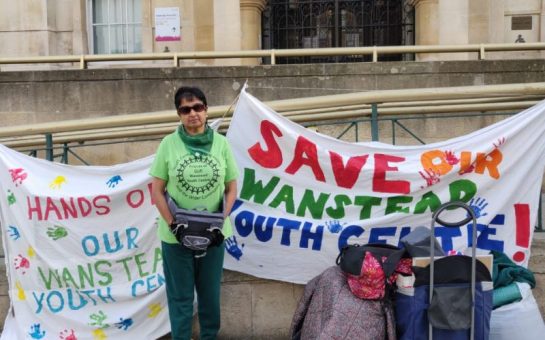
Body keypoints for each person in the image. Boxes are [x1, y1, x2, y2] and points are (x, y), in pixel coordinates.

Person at [149, 86, 239, 339]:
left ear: (206, 110)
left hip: (213, 235)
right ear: (178, 114)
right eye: (185, 109)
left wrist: (221, 221)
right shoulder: (168, 144)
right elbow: (157, 191)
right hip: (176, 236)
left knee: (210, 296)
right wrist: (172, 224)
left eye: (198, 107)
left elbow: (232, 188)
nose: (193, 114)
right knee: (181, 298)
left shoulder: (221, 144)